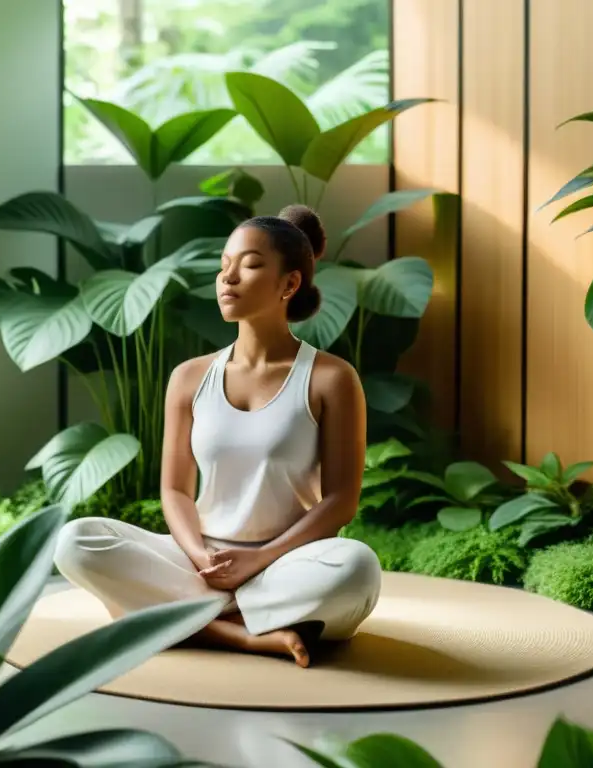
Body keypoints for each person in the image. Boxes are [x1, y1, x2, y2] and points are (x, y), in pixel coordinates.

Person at [53, 204, 381, 667]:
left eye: (248, 265)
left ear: (289, 284)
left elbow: (340, 501)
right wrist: (201, 557)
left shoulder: (331, 378)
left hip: (285, 564)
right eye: (224, 265)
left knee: (356, 570)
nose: (227, 278)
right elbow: (174, 490)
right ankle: (245, 635)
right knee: (76, 541)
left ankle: (167, 615)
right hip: (199, 558)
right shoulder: (189, 377)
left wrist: (259, 559)